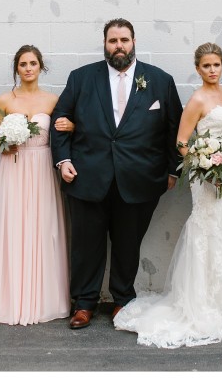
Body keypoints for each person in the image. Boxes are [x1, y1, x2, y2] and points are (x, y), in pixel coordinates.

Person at [114, 43, 222, 348]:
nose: (212, 71)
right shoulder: (198, 99)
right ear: (198, 68)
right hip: (207, 176)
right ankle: (203, 299)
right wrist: (202, 163)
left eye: (216, 65)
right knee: (208, 229)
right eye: (206, 66)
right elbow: (182, 142)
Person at [50, 18, 182, 329]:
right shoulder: (82, 78)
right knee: (86, 243)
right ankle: (84, 303)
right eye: (113, 41)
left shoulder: (160, 80)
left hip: (139, 180)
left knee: (127, 243)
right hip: (87, 177)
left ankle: (123, 299)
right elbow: (60, 119)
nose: (118, 46)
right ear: (105, 44)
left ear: (134, 42)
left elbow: (175, 128)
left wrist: (172, 171)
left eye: (124, 40)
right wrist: (62, 160)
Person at [0, 45, 73, 326]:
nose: (28, 68)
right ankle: (12, 300)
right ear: (16, 68)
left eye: (33, 63)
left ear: (40, 67)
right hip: (13, 169)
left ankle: (46, 299)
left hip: (42, 169)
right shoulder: (4, 100)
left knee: (43, 228)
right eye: (23, 64)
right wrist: (5, 144)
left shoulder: (52, 100)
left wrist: (71, 127)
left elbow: (64, 130)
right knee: (14, 227)